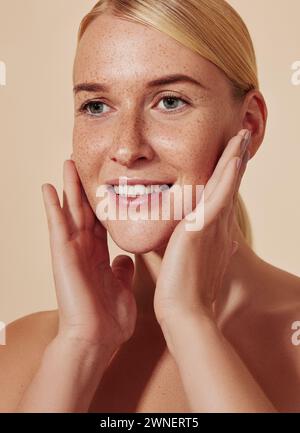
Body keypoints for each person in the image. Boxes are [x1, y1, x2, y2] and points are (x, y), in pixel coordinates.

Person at [0, 0, 299, 413]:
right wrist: (81, 347)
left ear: (249, 124)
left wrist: (189, 321)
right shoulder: (21, 353)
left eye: (170, 101)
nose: (126, 148)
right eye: (96, 106)